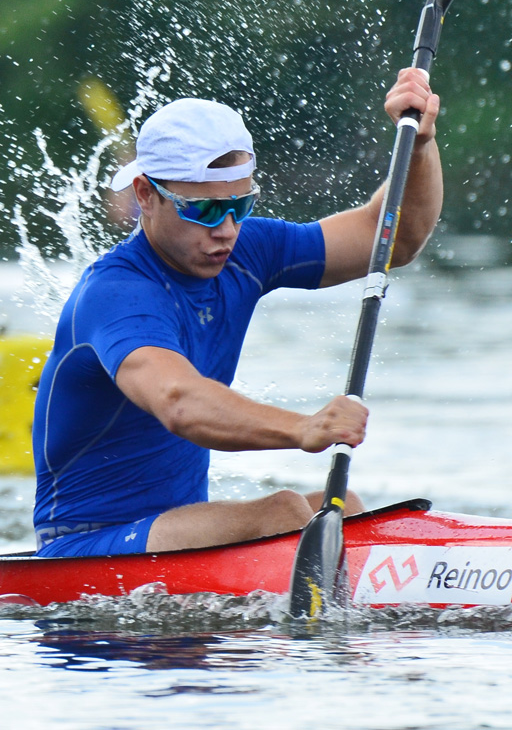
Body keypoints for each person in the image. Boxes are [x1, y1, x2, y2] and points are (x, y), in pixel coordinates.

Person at [32, 69, 442, 558]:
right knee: (284, 513)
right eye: (204, 210)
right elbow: (179, 401)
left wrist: (417, 144)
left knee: (344, 508)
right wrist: (302, 428)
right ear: (145, 195)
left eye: (240, 205)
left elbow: (392, 235)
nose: (226, 230)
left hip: (174, 536)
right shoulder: (116, 293)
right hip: (84, 546)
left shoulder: (246, 250)